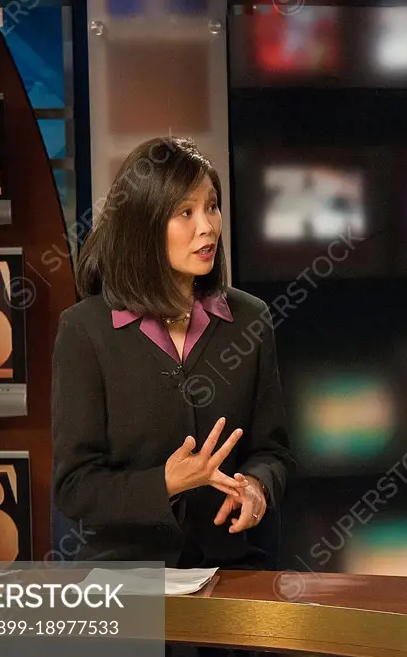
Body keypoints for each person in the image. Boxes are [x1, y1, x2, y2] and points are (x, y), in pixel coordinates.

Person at [51, 136, 295, 569]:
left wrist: (257, 487)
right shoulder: (85, 331)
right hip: (125, 575)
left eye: (212, 207)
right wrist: (165, 483)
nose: (207, 227)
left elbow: (272, 451)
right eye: (185, 212)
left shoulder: (249, 320)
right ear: (144, 225)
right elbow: (75, 486)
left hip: (230, 567)